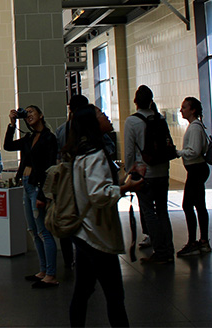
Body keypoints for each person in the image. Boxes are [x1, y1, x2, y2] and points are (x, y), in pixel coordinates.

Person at [66, 104, 141, 327]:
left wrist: (122, 182)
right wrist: (126, 188)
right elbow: (99, 194)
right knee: (115, 296)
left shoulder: (82, 151)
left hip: (84, 233)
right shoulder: (95, 154)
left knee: (83, 291)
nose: (106, 116)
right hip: (98, 237)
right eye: (100, 114)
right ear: (92, 122)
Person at [4, 105, 59, 287]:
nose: (28, 115)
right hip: (26, 186)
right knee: (34, 231)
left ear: (41, 115)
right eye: (25, 113)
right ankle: (43, 270)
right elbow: (8, 145)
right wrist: (12, 124)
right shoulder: (29, 138)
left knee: (44, 231)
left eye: (31, 112)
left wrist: (43, 195)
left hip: (37, 187)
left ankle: (51, 274)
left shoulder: (49, 138)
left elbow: (50, 168)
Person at [123, 85, 174, 264]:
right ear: (151, 100)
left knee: (148, 212)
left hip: (145, 173)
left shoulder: (132, 121)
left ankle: (159, 251)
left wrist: (130, 170)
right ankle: (168, 250)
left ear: (136, 101)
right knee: (162, 211)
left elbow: (129, 151)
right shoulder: (160, 118)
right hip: (162, 171)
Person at [55, 94, 89, 269]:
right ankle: (84, 257)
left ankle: (69, 260)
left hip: (67, 184)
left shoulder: (62, 130)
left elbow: (57, 158)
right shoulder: (92, 133)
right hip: (83, 184)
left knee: (67, 218)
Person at [175, 97, 211, 256]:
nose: (181, 110)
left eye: (184, 107)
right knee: (199, 205)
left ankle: (193, 242)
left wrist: (177, 153)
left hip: (196, 169)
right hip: (197, 169)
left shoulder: (195, 128)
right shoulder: (195, 126)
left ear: (193, 110)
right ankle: (203, 241)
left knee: (188, 205)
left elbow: (194, 151)